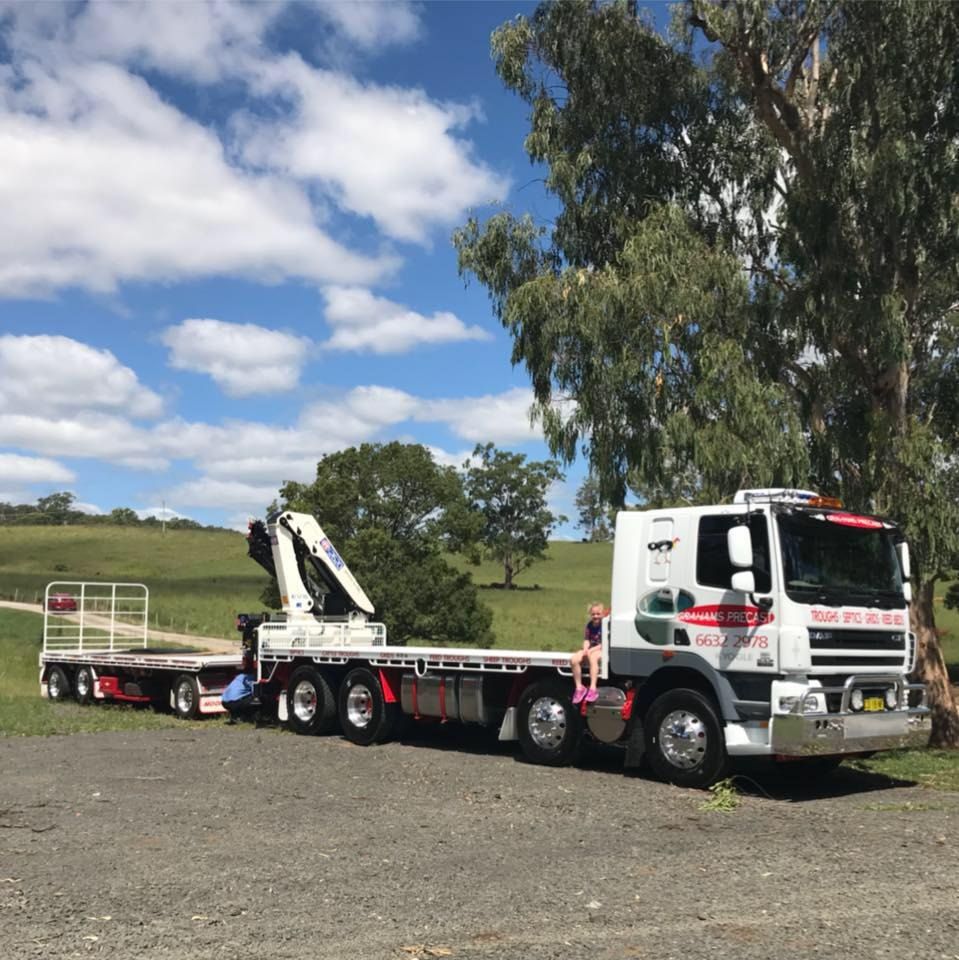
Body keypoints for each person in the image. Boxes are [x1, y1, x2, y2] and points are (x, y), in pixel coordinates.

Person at [571, 602, 605, 704]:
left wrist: (591, 651)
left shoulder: (604, 625)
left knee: (593, 658)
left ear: (602, 614)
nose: (595, 616)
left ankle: (593, 688)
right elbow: (586, 640)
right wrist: (585, 648)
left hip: (601, 649)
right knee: (574, 659)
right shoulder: (589, 625)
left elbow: (603, 644)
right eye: (593, 614)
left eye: (598, 614)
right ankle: (579, 688)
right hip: (590, 648)